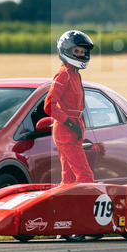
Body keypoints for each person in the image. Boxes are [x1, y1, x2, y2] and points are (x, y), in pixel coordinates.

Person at [46, 30, 95, 185]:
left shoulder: (75, 74)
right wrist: (69, 123)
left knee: (69, 178)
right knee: (86, 176)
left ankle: (66, 207)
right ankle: (82, 208)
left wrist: (77, 125)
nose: (81, 54)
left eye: (83, 51)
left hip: (73, 129)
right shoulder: (63, 74)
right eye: (76, 51)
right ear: (66, 51)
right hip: (66, 130)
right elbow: (49, 105)